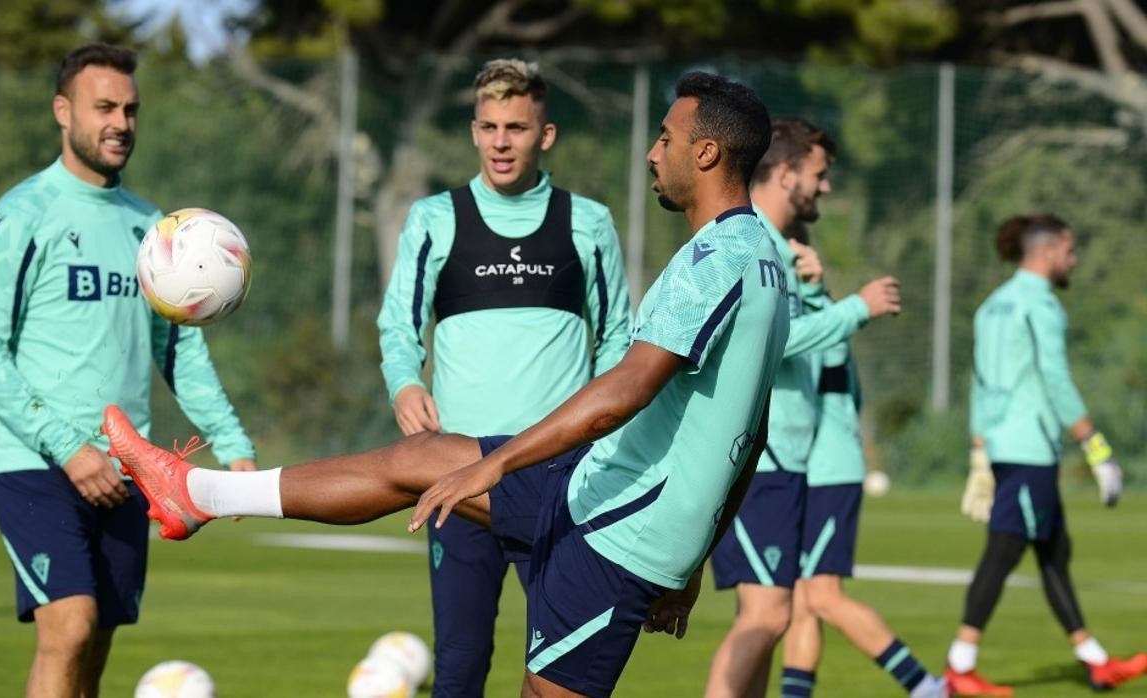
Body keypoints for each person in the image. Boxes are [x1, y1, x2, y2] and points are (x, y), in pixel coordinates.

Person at [101, 71, 787, 698]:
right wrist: (696, 558)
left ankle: (200, 496)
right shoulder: (762, 257)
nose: (651, 153)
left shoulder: (713, 261)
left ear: (705, 154)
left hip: (617, 532)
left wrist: (495, 466)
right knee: (415, 459)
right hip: (603, 489)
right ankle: (198, 494)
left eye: (666, 138)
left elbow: (625, 390)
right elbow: (748, 436)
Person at [0, 43, 257, 698]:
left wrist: (233, 445)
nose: (120, 122)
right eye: (104, 107)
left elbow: (179, 349)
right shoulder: (21, 217)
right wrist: (69, 448)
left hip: (128, 467)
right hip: (35, 463)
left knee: (93, 650)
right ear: (63, 111)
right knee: (68, 628)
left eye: (130, 109)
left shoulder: (153, 229)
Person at [376, 58, 631, 697]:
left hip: (556, 479)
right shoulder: (434, 218)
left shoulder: (589, 222)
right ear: (472, 131)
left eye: (516, 127)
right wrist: (405, 382)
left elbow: (618, 339)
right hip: (459, 480)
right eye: (488, 126)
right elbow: (397, 325)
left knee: (563, 673)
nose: (500, 141)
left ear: (545, 135)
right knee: (460, 665)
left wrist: (597, 437)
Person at [703, 117, 932, 698]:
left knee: (768, 617)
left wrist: (815, 293)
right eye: (819, 174)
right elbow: (775, 340)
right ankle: (930, 687)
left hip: (785, 459)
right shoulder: (753, 242)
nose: (825, 187)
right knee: (767, 615)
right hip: (757, 458)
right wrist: (857, 307)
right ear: (784, 173)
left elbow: (805, 338)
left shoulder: (779, 250)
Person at [945, 213, 1145, 696]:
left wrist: (979, 449)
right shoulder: (1040, 305)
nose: (1073, 259)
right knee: (1005, 549)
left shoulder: (992, 305)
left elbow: (978, 380)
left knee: (1054, 549)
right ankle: (960, 666)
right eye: (1070, 250)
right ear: (1049, 251)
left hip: (1001, 447)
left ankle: (1095, 659)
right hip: (1028, 449)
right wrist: (1096, 448)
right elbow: (1055, 380)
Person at [774, 221, 945, 698]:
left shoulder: (823, 314)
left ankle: (927, 686)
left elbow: (805, 352)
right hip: (808, 471)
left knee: (822, 598)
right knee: (802, 604)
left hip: (828, 473)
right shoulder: (815, 311)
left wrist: (815, 290)